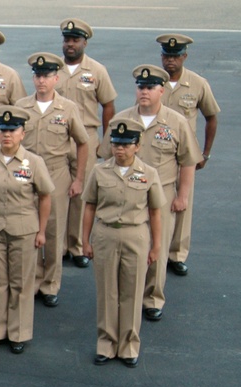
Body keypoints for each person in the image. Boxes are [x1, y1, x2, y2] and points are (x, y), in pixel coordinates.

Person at [99, 65, 201, 323]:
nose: (144, 92)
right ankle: (124, 297)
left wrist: (183, 196)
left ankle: (152, 298)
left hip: (162, 193)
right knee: (126, 248)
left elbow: (187, 161)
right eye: (140, 87)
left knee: (158, 247)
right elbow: (105, 158)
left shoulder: (176, 122)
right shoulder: (120, 121)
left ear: (161, 90)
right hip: (126, 194)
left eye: (150, 87)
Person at [0, 107, 54, 354]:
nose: (6, 134)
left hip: (23, 229)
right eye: (3, 130)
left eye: (12, 130)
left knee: (21, 282)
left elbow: (45, 196)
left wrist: (41, 230)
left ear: (22, 133)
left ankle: (18, 333)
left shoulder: (34, 162)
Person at [82, 120, 164, 367]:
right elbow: (89, 207)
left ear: (137, 146)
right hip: (105, 234)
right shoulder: (99, 171)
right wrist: (85, 240)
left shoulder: (149, 174)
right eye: (116, 144)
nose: (120, 149)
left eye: (126, 145)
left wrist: (157, 246)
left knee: (132, 291)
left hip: (135, 235)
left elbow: (156, 211)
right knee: (107, 291)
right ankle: (106, 343)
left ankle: (129, 345)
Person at [16, 52, 90, 307]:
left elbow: (82, 142)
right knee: (29, 229)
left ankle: (50, 283)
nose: (41, 81)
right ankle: (34, 278)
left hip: (57, 173)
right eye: (37, 75)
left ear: (56, 78)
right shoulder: (21, 106)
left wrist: (78, 178)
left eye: (46, 76)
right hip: (26, 175)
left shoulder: (68, 108)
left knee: (54, 231)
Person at [156, 33, 220, 276]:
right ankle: (157, 249)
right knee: (157, 201)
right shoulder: (153, 82)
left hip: (185, 155)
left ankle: (177, 254)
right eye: (166, 56)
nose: (170, 61)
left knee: (182, 204)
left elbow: (211, 117)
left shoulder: (197, 83)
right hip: (157, 151)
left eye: (175, 56)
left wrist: (205, 153)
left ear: (184, 56)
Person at [56, 18, 117, 268]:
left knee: (82, 194)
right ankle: (57, 245)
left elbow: (108, 106)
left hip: (88, 137)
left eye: (75, 40)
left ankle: (78, 245)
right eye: (67, 40)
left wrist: (105, 141)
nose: (70, 44)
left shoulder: (97, 71)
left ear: (85, 42)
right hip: (58, 137)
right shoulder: (52, 69)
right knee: (58, 193)